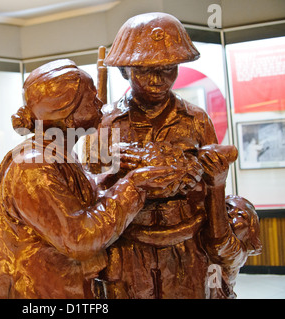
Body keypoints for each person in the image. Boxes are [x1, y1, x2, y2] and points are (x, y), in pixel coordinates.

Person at [0, 59, 184, 299]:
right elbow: (79, 238)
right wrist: (133, 185)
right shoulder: (32, 167)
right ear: (66, 113)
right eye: (91, 97)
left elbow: (77, 201)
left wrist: (114, 177)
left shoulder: (59, 155)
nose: (99, 103)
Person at [89, 12, 251, 299]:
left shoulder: (196, 119)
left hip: (187, 245)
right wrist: (117, 164)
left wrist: (214, 177)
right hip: (127, 246)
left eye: (167, 69)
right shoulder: (106, 123)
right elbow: (91, 189)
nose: (157, 80)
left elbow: (209, 184)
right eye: (144, 70)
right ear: (125, 70)